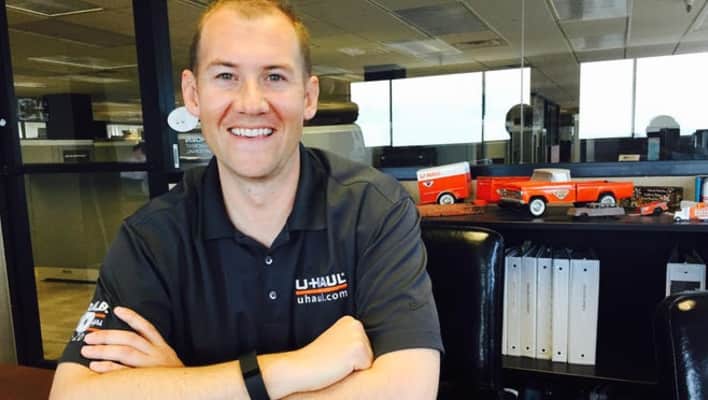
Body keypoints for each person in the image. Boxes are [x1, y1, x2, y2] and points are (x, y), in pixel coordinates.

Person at [50, 1, 442, 399]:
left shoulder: (374, 209)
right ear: (193, 94)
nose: (251, 103)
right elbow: (71, 394)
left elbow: (409, 391)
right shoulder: (151, 239)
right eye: (226, 76)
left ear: (308, 97)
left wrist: (183, 382)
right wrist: (292, 369)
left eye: (274, 76)